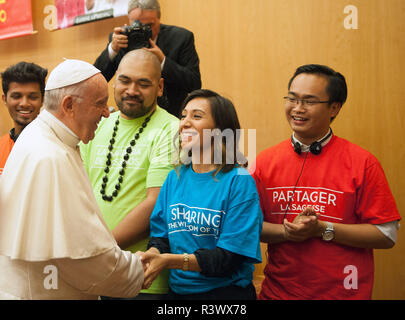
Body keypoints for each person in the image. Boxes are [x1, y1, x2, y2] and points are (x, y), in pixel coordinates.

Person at [251, 64, 401, 300]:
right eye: (292, 98)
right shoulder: (264, 161)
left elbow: (387, 234)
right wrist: (289, 233)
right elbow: (250, 227)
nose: (297, 108)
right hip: (277, 294)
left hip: (343, 294)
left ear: (334, 107)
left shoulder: (363, 162)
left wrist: (323, 229)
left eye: (309, 101)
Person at [0, 59, 145, 300]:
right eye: (99, 103)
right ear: (69, 105)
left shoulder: (45, 137)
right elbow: (80, 261)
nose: (106, 112)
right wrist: (134, 271)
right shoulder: (49, 156)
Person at [139, 89, 263, 300]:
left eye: (196, 116)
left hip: (225, 295)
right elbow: (161, 237)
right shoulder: (174, 178)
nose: (185, 123)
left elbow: (228, 259)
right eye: (183, 115)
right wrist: (154, 253)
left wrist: (170, 261)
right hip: (177, 293)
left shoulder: (239, 181)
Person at [81, 49, 179, 299]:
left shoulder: (173, 130)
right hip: (93, 274)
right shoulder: (98, 123)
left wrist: (102, 252)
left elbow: (156, 203)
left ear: (160, 87)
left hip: (143, 276)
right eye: (124, 80)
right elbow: (77, 187)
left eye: (143, 83)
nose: (131, 90)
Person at [94, 0, 201, 117]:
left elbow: (194, 83)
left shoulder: (181, 38)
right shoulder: (122, 39)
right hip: (131, 114)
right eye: (137, 24)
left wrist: (163, 61)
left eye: (149, 25)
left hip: (171, 114)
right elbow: (96, 80)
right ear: (128, 21)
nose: (143, 29)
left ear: (159, 20)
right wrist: (112, 50)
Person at [0, 61, 47, 175]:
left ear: (43, 99)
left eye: (32, 97)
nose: (24, 103)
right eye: (17, 96)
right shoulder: (1, 146)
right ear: (5, 99)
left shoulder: (55, 147)